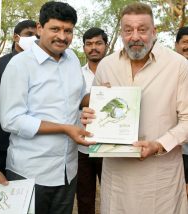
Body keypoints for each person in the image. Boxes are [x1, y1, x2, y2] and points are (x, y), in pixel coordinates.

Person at [81, 3, 188, 213]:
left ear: (154, 31)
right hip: (116, 177)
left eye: (142, 29)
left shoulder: (178, 66)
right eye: (128, 30)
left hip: (160, 178)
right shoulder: (107, 65)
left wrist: (158, 145)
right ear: (121, 32)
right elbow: (97, 110)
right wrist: (91, 117)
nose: (135, 36)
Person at [0, 2, 93, 213]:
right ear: (39, 28)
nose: (62, 36)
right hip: (31, 171)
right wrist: (65, 128)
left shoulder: (72, 61)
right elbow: (10, 119)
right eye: (55, 29)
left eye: (68, 31)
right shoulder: (20, 64)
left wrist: (103, 97)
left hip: (68, 170)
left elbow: (77, 101)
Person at [0, 19, 36, 180]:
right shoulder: (2, 64)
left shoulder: (37, 64)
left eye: (37, 35)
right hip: (3, 139)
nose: (34, 39)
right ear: (16, 37)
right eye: (29, 34)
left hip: (28, 139)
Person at [76, 27, 108, 214]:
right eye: (89, 44)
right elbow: (72, 101)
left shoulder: (116, 71)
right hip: (82, 145)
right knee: (84, 197)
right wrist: (100, 94)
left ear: (106, 45)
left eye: (98, 43)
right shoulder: (76, 74)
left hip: (110, 146)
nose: (93, 48)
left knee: (112, 195)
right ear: (84, 47)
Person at [175, 26, 188, 197]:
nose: (187, 46)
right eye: (185, 42)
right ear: (176, 44)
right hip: (176, 147)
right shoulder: (167, 70)